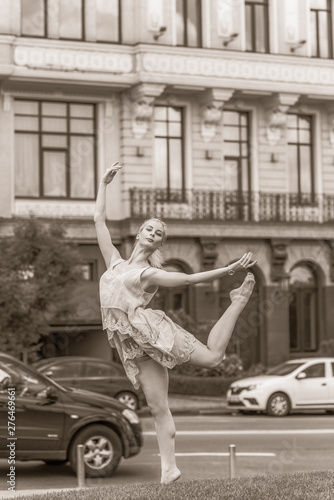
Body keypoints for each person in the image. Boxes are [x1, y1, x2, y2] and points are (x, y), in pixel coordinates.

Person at [95, 162, 257, 485]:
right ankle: (169, 471)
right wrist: (103, 184)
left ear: (157, 244)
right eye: (149, 229)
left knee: (213, 357)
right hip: (134, 347)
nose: (152, 234)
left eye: (158, 234)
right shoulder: (114, 262)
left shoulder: (149, 274)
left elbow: (185, 279)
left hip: (154, 334)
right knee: (157, 407)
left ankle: (236, 302)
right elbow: (98, 219)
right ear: (139, 233)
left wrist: (226, 270)